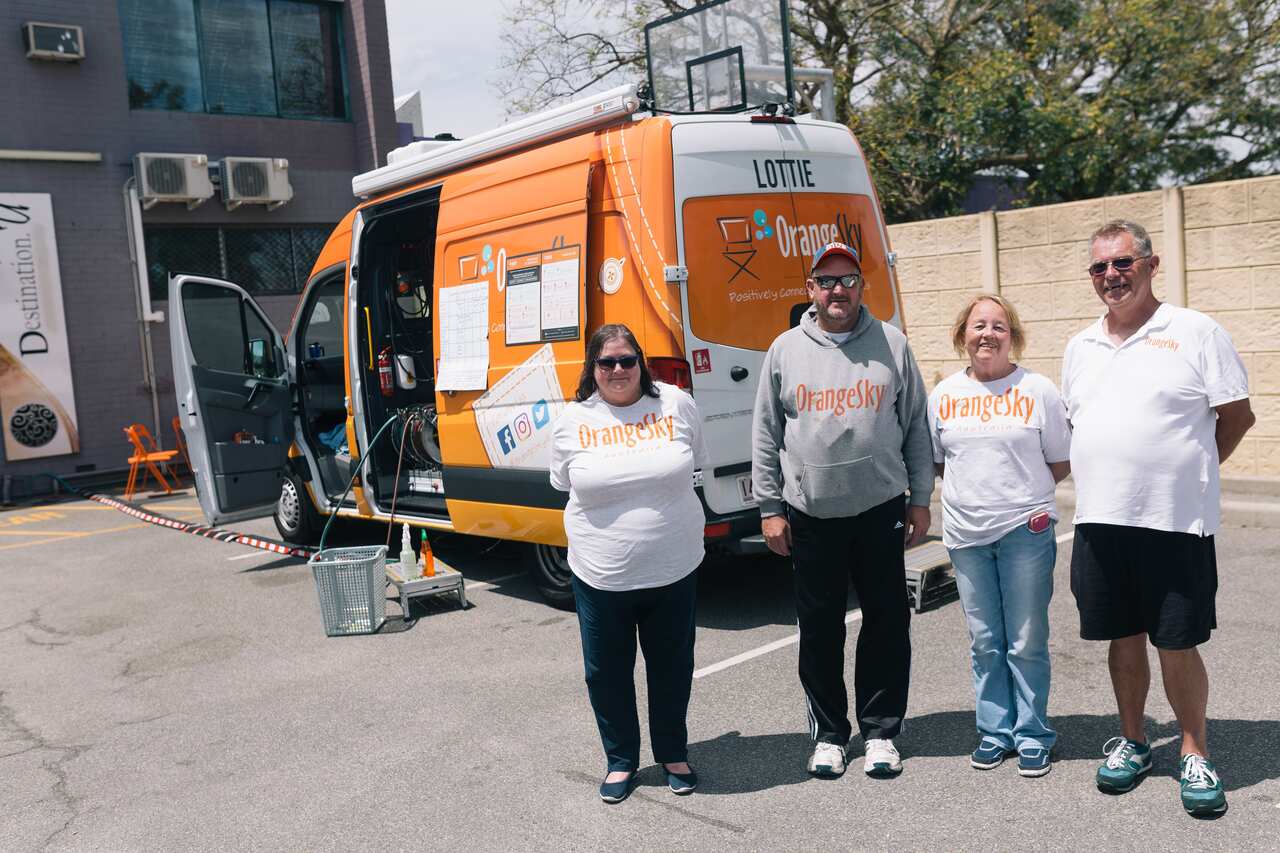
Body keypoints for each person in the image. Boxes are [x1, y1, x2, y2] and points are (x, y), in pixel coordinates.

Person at [1062, 220, 1254, 816]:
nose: (1111, 276)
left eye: (1122, 263)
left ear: (1150, 264)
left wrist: (1191, 471)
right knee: (1123, 637)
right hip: (1100, 521)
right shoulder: (1080, 346)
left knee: (1177, 640)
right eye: (1099, 268)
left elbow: (1237, 417)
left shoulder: (1195, 332)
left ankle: (1194, 751)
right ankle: (1135, 741)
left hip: (1174, 522)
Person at [752, 241, 933, 779]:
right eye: (827, 280)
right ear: (810, 289)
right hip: (810, 514)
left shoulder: (893, 344)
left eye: (848, 279)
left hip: (880, 508)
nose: (838, 290)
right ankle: (830, 735)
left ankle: (880, 733)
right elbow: (765, 433)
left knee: (886, 621)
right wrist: (769, 507)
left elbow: (916, 425)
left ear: (861, 285)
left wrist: (921, 498)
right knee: (820, 627)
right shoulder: (784, 350)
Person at [549, 323, 709, 804]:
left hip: (674, 566)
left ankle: (673, 754)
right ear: (592, 369)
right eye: (607, 362)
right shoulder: (572, 421)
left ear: (642, 362)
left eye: (627, 360)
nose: (618, 370)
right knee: (606, 672)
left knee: (672, 666)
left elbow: (696, 459)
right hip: (601, 575)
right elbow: (562, 483)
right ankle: (620, 761)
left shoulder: (676, 404)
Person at [928, 294, 1071, 778]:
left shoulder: (1038, 389)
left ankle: (1033, 734)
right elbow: (941, 462)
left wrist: (1022, 500)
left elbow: (1059, 460)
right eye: (978, 325)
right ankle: (995, 732)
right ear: (962, 335)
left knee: (1027, 638)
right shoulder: (944, 394)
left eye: (998, 326)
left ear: (1013, 336)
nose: (987, 334)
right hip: (966, 535)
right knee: (985, 640)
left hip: (1024, 532)